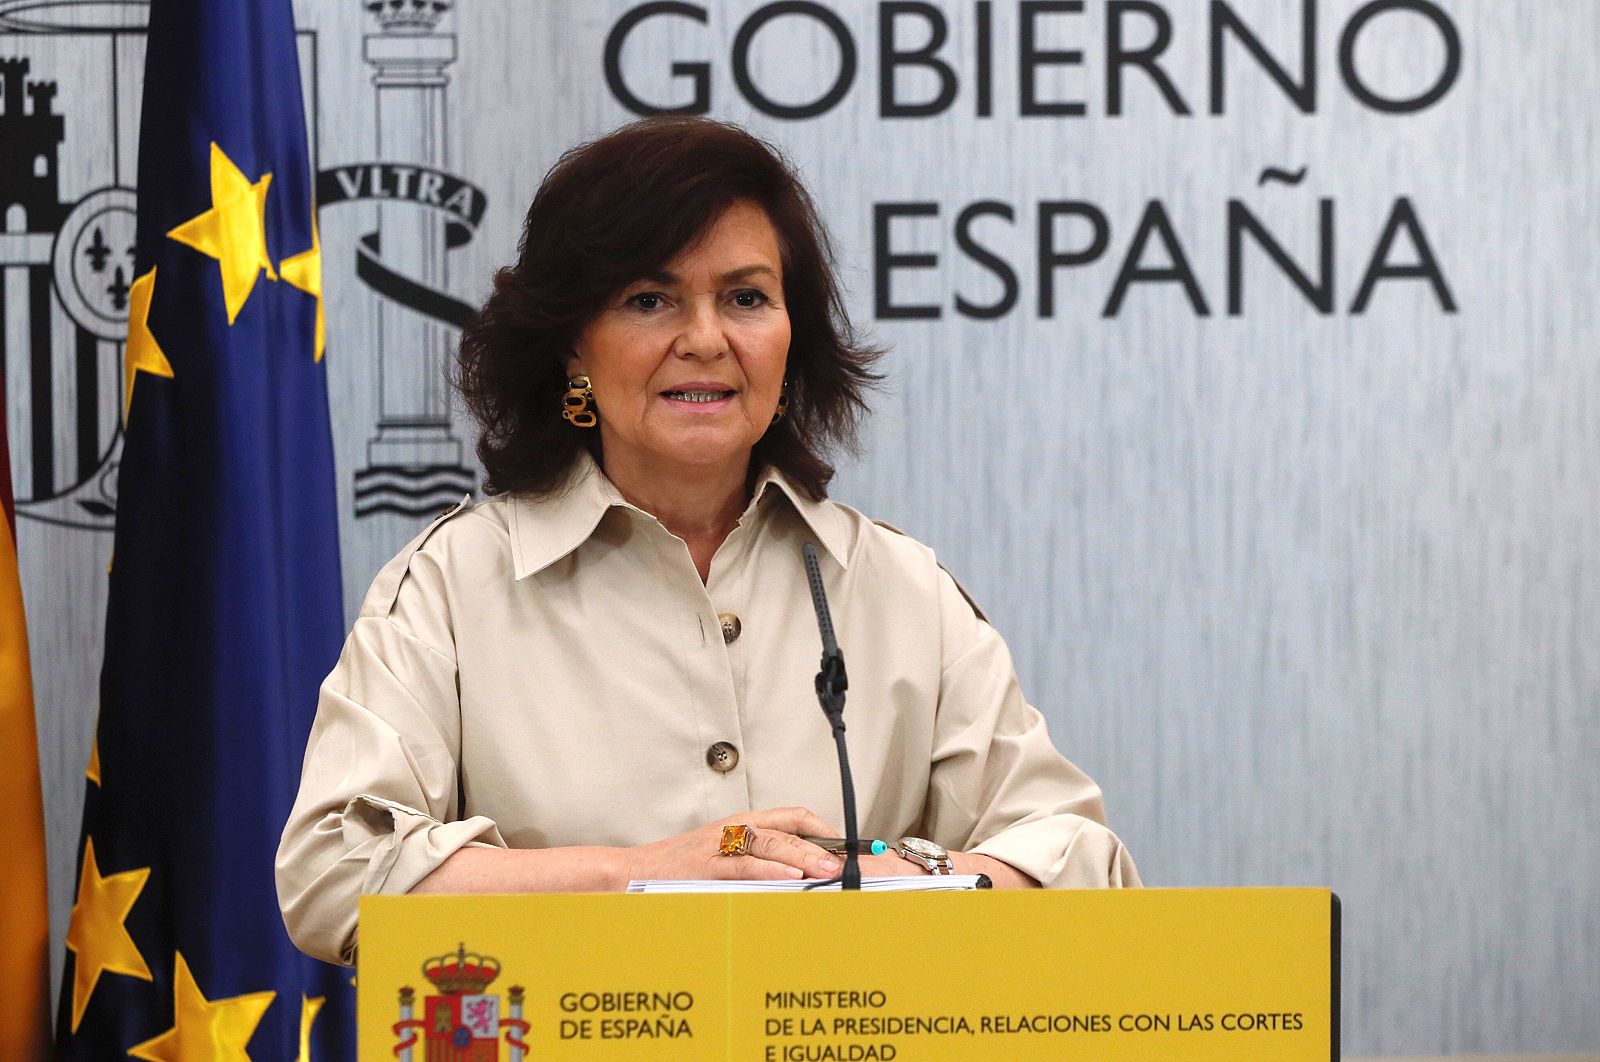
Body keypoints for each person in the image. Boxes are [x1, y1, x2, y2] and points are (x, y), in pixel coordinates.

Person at [276, 117, 1139, 966]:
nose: (704, 339)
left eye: (746, 298)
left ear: (790, 339)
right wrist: (645, 877)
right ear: (575, 346)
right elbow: (331, 873)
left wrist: (904, 873)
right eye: (649, 300)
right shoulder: (454, 584)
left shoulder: (897, 585)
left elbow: (1083, 863)